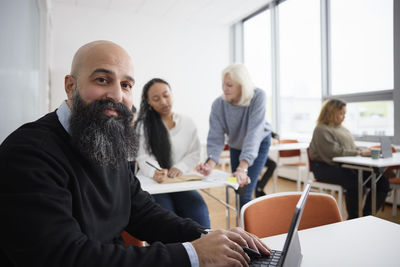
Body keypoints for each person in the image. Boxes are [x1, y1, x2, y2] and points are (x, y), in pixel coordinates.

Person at [0, 41, 270, 266]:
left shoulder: (104, 137)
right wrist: (193, 255)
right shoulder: (28, 154)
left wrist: (209, 237)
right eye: (102, 79)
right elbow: (66, 257)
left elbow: (141, 211)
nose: (117, 95)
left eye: (127, 85)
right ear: (71, 86)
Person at [135, 78, 210, 228]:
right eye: (156, 98)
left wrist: (180, 167)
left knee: (199, 211)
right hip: (155, 183)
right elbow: (143, 157)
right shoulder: (143, 126)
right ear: (148, 102)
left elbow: (194, 153)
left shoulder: (187, 122)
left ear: (172, 94)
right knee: (166, 216)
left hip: (179, 181)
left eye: (166, 95)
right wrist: (156, 171)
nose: (163, 101)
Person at [197, 63, 272, 208]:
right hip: (236, 143)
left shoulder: (258, 96)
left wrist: (242, 167)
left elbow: (254, 133)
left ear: (242, 85)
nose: (225, 89)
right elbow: (216, 136)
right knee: (236, 187)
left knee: (245, 191)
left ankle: (250, 230)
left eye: (230, 85)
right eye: (223, 84)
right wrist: (210, 164)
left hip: (259, 142)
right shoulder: (218, 104)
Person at [309, 98, 389, 219]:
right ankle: (353, 218)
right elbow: (334, 152)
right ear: (331, 112)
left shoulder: (342, 129)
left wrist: (363, 151)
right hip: (324, 168)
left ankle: (367, 216)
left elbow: (351, 147)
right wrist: (360, 153)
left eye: (345, 113)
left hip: (344, 166)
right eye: (341, 113)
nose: (344, 116)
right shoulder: (321, 129)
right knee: (357, 184)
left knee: (382, 182)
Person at [255, 132, 279, 197]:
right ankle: (257, 187)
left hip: (261, 153)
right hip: (252, 153)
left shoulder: (265, 127)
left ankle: (259, 187)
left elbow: (276, 135)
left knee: (273, 164)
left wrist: (275, 139)